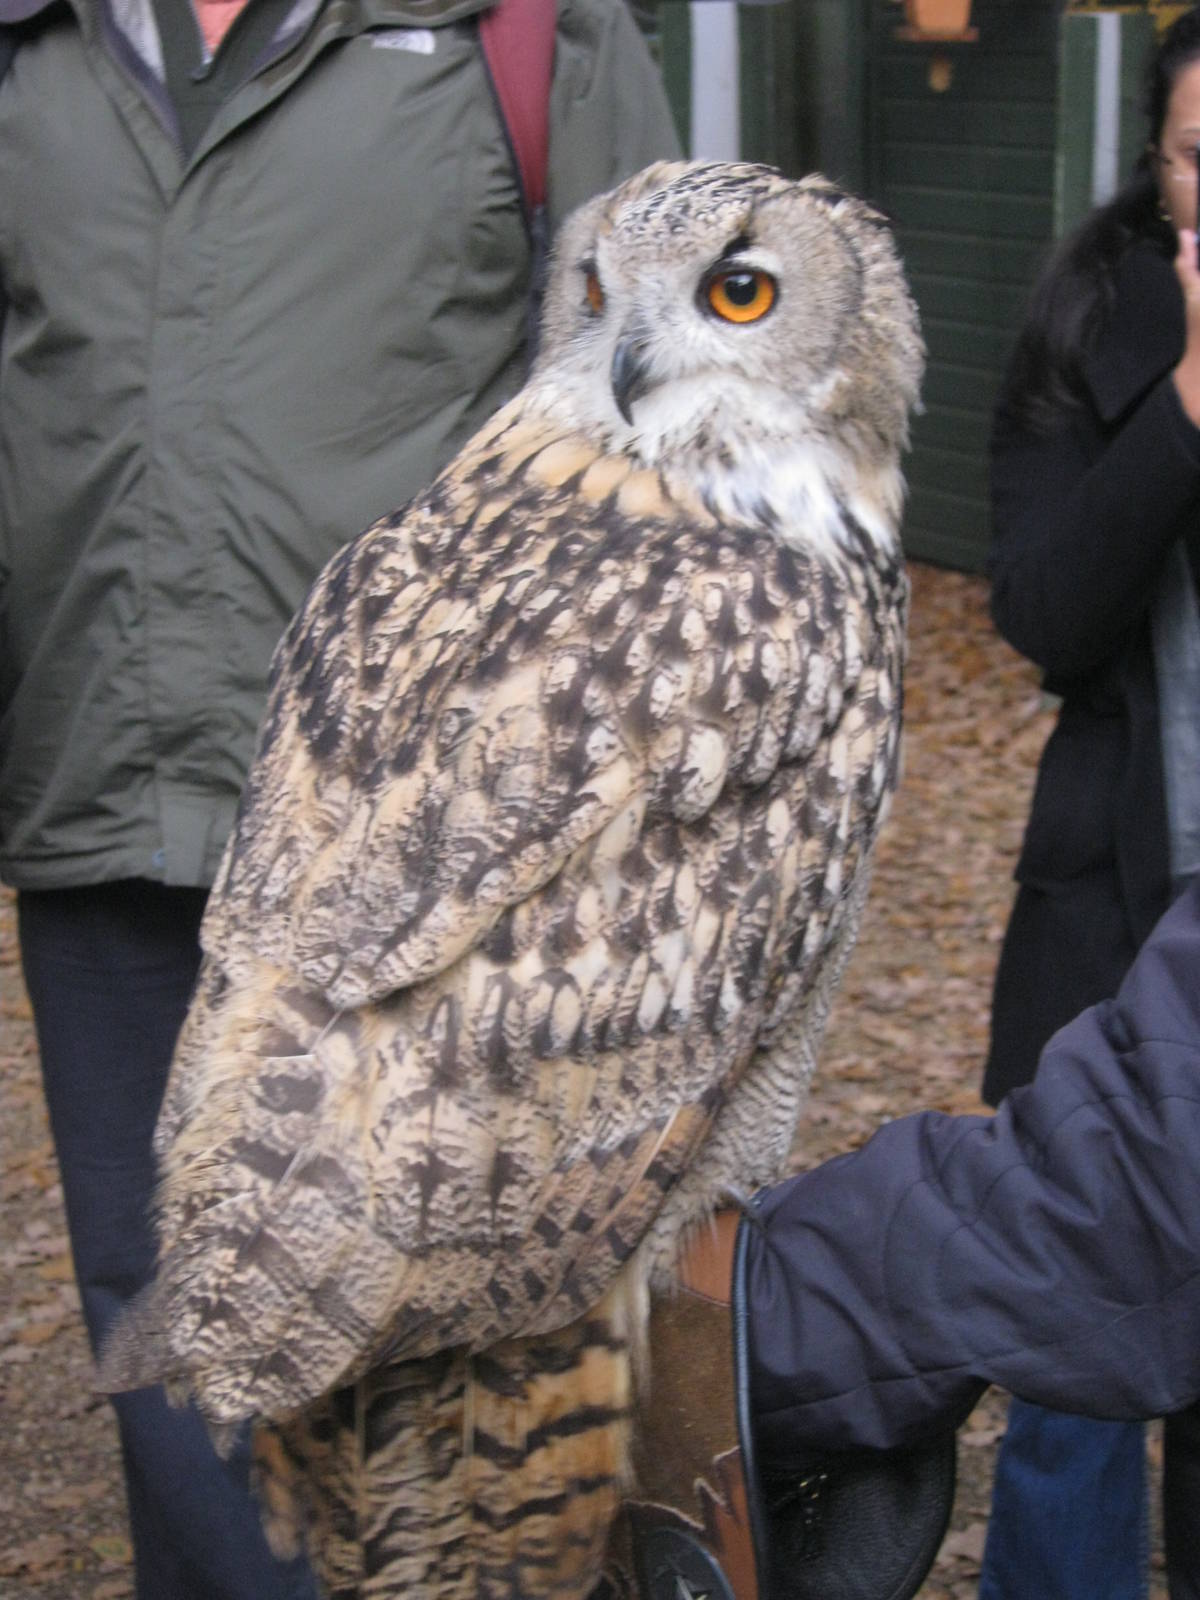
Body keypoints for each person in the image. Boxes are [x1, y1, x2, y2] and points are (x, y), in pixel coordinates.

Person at [0, 2, 679, 1594]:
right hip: (104, 800)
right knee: (162, 1319)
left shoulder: (526, 34)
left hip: (414, 849)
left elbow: (673, 443)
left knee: (425, 1332)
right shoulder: (33, 49)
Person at [977, 6, 1200, 1593]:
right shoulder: (1086, 319)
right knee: (1073, 1365)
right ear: (1160, 163)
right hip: (1114, 931)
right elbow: (1047, 613)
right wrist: (1186, 409)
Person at [739, 851, 1200, 1600]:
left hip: (1132, 1103)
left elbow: (1138, 1185)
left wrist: (740, 1320)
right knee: (1066, 1394)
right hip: (1105, 934)